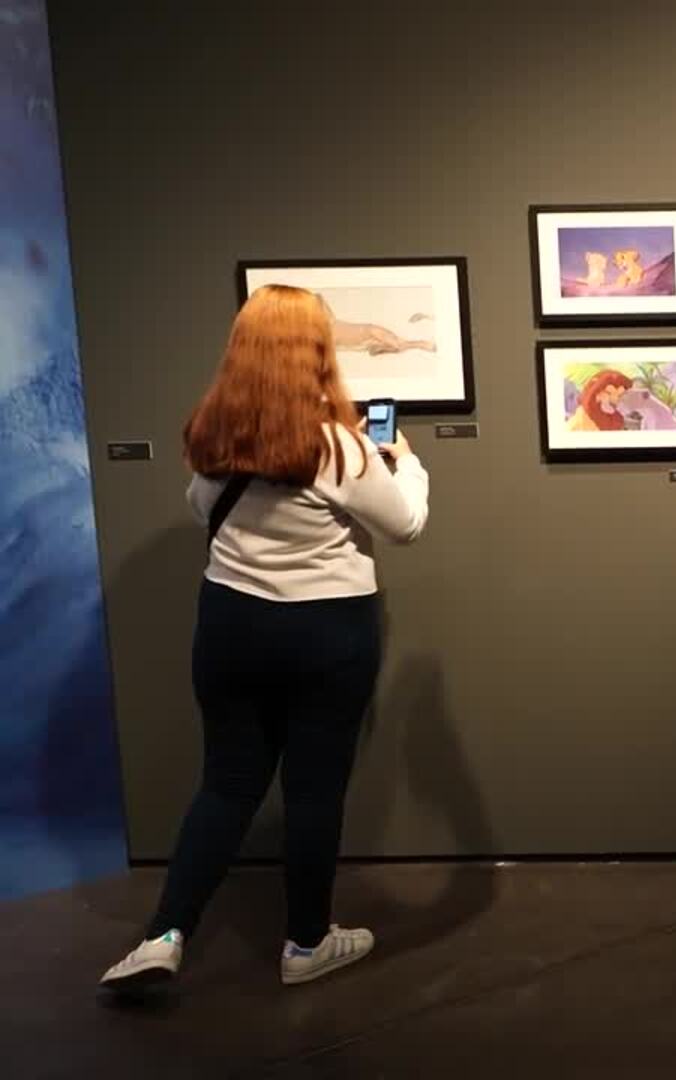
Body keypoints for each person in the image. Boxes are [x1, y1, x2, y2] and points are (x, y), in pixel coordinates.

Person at [99, 285, 430, 994]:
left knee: (226, 783)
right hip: (327, 632)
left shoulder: (213, 434)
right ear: (315, 350)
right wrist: (407, 461)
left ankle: (163, 934)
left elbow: (200, 511)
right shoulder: (339, 445)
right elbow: (405, 525)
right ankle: (307, 944)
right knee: (313, 791)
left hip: (229, 624)